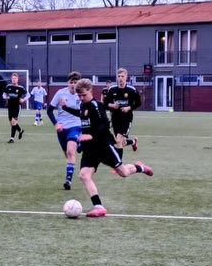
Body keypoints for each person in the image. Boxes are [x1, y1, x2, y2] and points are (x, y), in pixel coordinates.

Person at [60, 78, 154, 217]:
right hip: (89, 149)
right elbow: (80, 114)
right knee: (84, 175)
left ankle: (140, 167)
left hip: (103, 146)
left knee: (123, 173)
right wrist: (65, 108)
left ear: (91, 91)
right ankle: (98, 207)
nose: (81, 98)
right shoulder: (83, 105)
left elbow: (104, 124)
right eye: (79, 96)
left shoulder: (96, 105)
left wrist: (90, 135)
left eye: (84, 95)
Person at [46, 72, 82, 190]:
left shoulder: (81, 95)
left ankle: (68, 180)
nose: (73, 85)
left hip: (76, 126)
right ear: (67, 83)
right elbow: (49, 110)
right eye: (71, 82)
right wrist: (56, 124)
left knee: (71, 151)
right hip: (62, 128)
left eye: (75, 82)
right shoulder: (60, 93)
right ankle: (80, 144)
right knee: (67, 154)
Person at [102, 67, 141, 153]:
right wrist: (112, 105)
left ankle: (119, 161)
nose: (120, 78)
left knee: (119, 140)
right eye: (119, 76)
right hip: (115, 119)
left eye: (122, 76)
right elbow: (105, 104)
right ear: (117, 77)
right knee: (121, 142)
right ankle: (133, 142)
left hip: (126, 119)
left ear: (126, 77)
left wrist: (128, 108)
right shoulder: (112, 90)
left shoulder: (131, 90)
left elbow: (138, 103)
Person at [2, 73, 28, 143]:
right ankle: (20, 130)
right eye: (13, 78)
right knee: (11, 123)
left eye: (15, 78)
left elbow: (28, 94)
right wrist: (5, 97)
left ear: (17, 79)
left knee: (14, 122)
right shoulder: (8, 86)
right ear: (11, 79)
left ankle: (12, 139)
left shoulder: (20, 88)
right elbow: (3, 94)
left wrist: (23, 99)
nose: (14, 80)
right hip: (10, 106)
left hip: (17, 106)